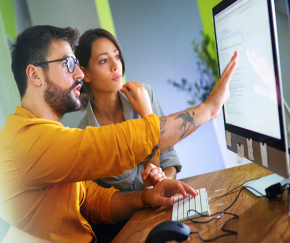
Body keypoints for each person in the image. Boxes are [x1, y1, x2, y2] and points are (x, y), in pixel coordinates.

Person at [0, 25, 238, 243]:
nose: (79, 74)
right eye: (67, 64)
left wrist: (145, 198)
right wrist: (208, 109)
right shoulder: (24, 141)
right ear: (35, 75)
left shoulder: (51, 135)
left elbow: (93, 202)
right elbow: (116, 145)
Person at [75, 28, 181, 191]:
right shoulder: (87, 137)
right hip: (133, 215)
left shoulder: (145, 94)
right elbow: (142, 184)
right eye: (104, 60)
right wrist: (147, 116)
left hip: (166, 199)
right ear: (85, 74)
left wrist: (164, 183)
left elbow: (168, 158)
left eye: (116, 56)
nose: (115, 65)